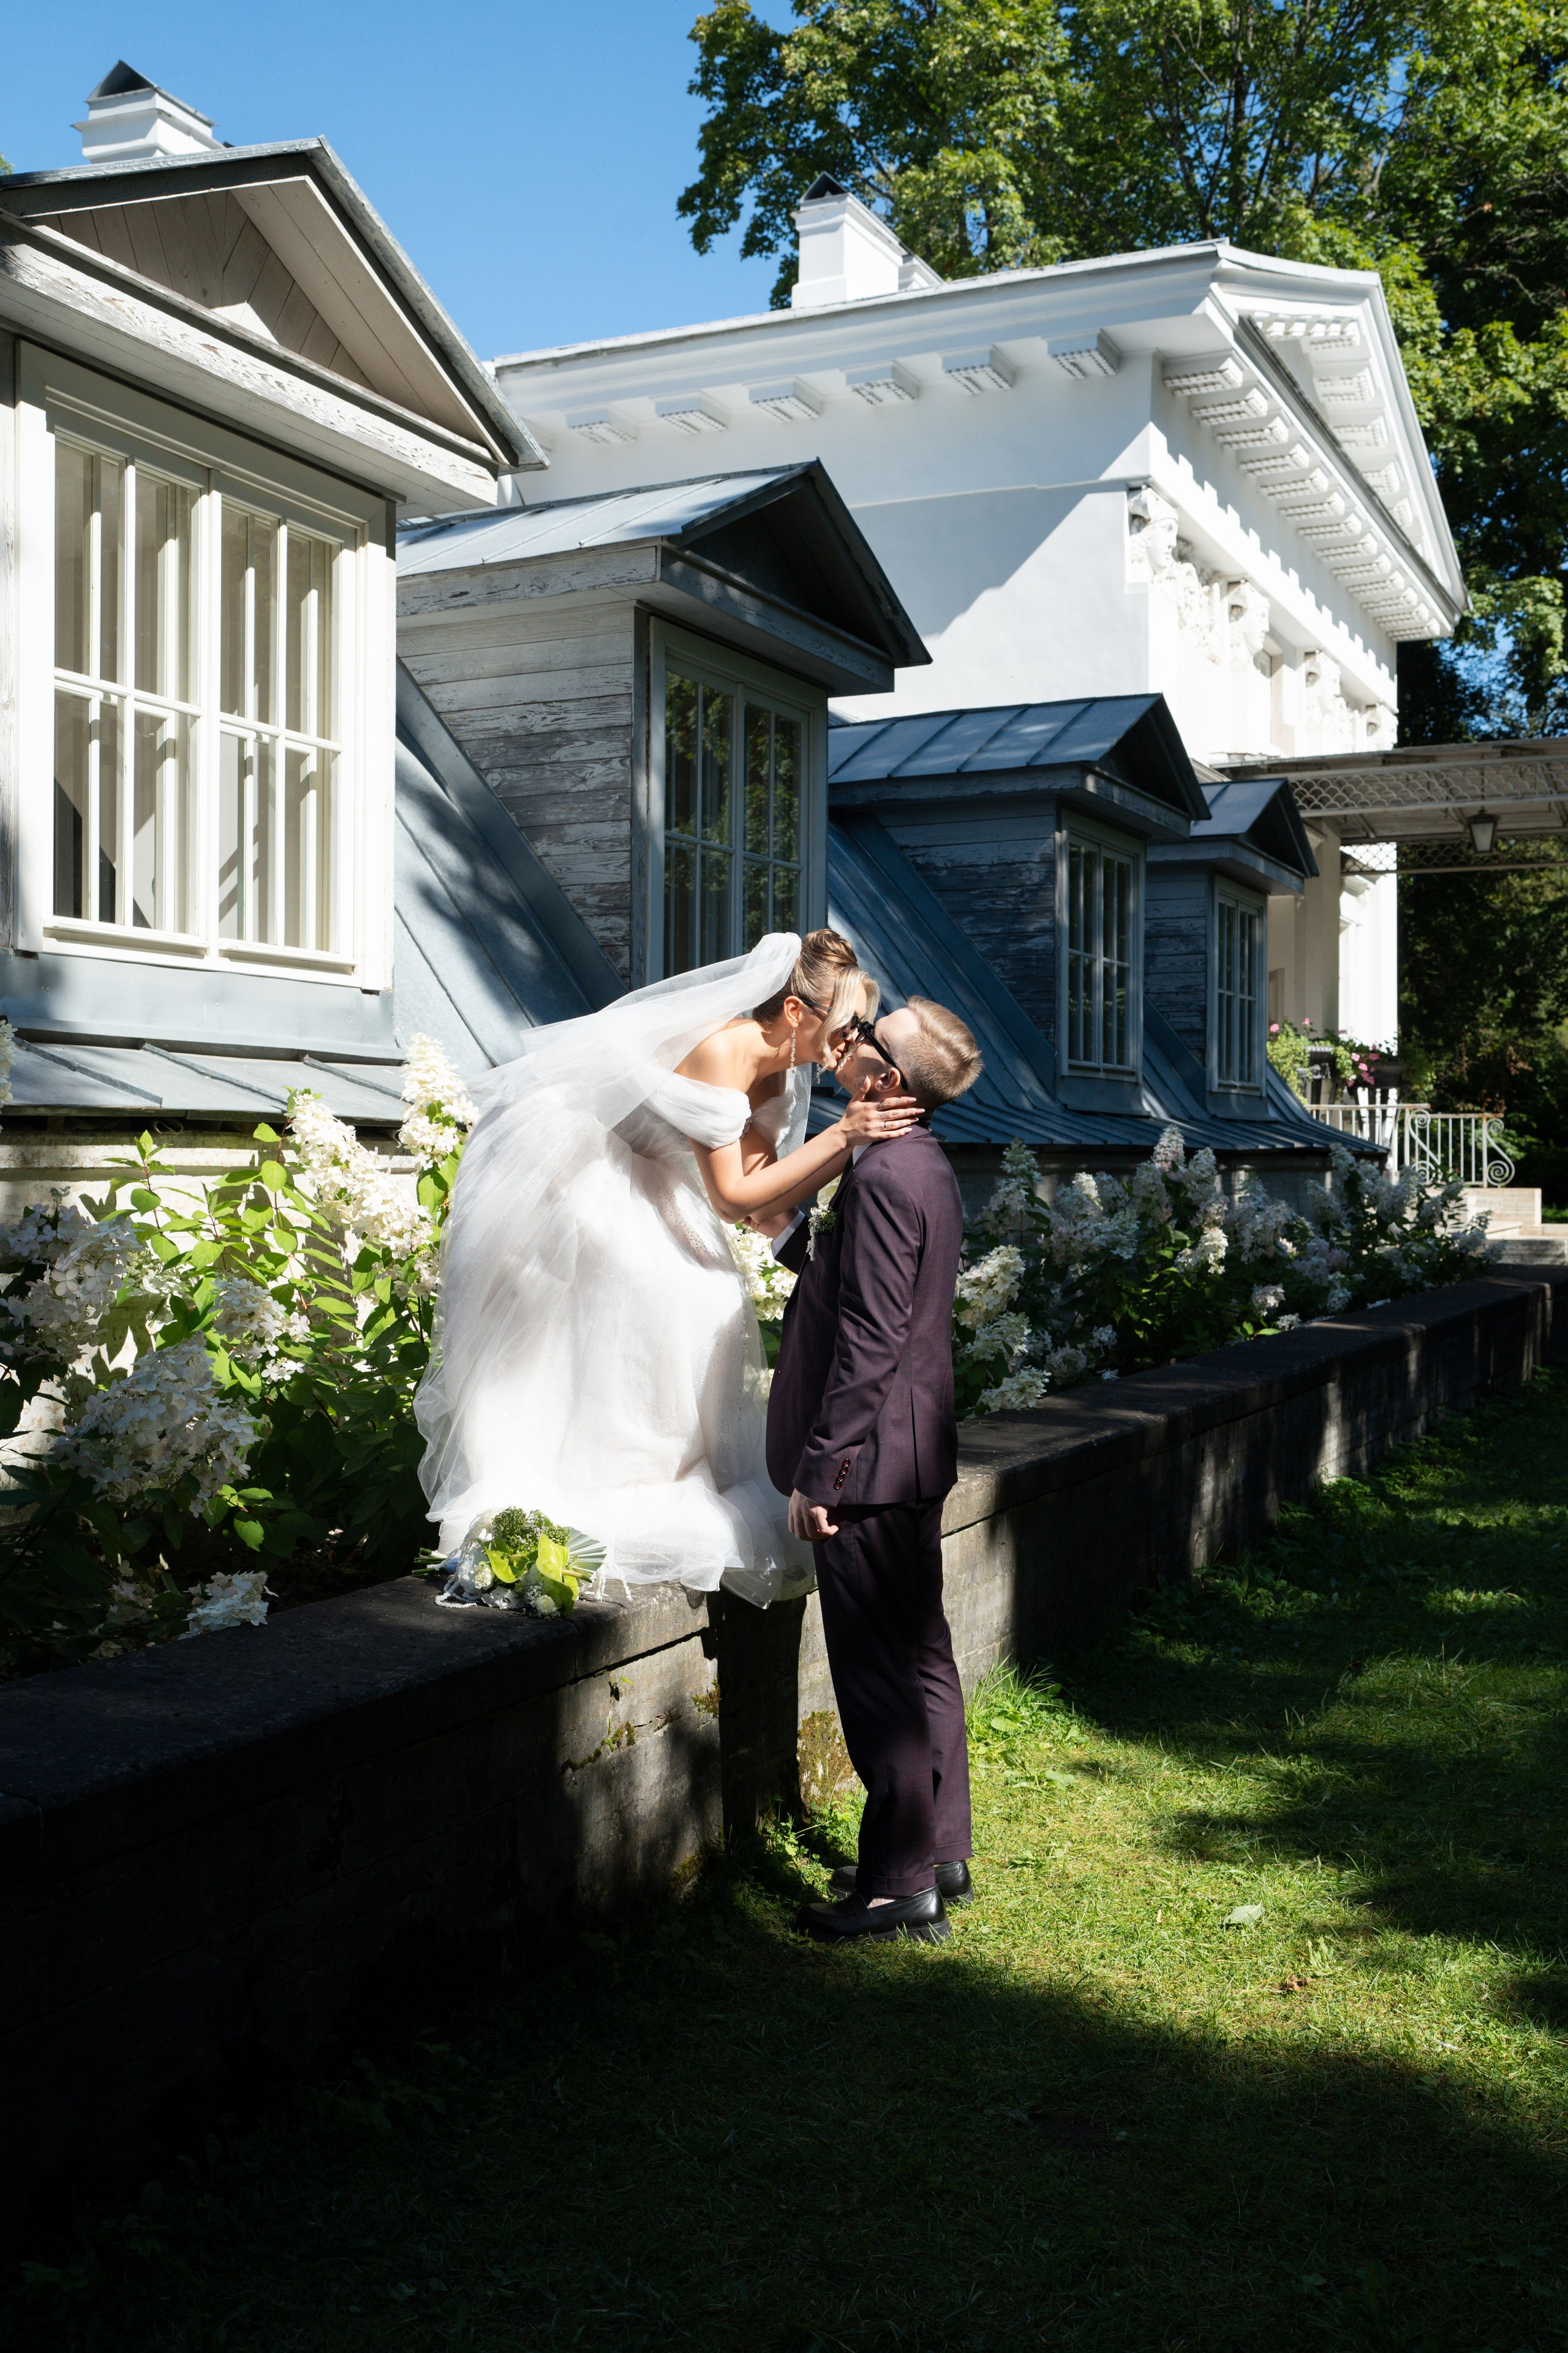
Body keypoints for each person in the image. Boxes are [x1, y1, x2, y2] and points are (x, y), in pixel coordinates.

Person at [414, 931, 921, 1606]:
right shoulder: (722, 1048)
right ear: (797, 1014)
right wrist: (847, 1135)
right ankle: (601, 1478)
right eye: (846, 1023)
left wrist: (854, 1150)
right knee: (656, 1293)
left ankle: (676, 1468)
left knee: (709, 1297)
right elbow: (731, 1196)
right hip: (581, 1167)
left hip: (660, 1176)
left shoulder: (786, 1066)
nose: (851, 1039)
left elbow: (764, 1182)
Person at [760, 996, 984, 1942]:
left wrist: (827, 1468)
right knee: (922, 1652)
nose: (843, 1046)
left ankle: (897, 1885)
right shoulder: (916, 1162)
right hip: (913, 1448)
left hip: (876, 1460)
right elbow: (867, 1291)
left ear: (886, 1081)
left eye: (861, 1041)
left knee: (877, 1674)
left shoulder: (888, 1174)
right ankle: (938, 1846)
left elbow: (873, 1337)